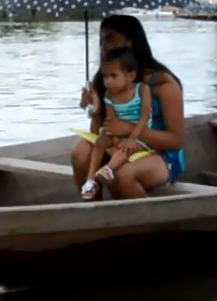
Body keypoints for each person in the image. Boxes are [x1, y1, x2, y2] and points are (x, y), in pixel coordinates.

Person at [71, 15, 185, 199]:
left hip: (161, 155)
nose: (103, 47)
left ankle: (145, 224)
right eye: (101, 40)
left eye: (110, 39)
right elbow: (98, 131)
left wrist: (131, 129)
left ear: (130, 42)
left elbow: (176, 141)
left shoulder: (163, 83)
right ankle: (96, 212)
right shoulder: (105, 81)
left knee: (121, 175)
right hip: (116, 147)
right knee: (80, 152)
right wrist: (95, 110)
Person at [79, 47, 157, 201]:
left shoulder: (142, 90)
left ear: (130, 75)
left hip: (140, 134)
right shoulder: (109, 95)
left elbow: (144, 116)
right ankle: (90, 180)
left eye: (113, 76)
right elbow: (111, 120)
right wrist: (96, 110)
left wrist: (132, 138)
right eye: (105, 77)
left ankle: (109, 169)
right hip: (120, 133)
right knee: (101, 140)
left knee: (125, 146)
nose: (108, 81)